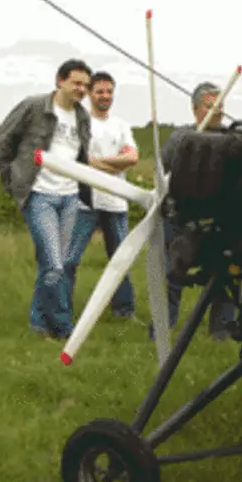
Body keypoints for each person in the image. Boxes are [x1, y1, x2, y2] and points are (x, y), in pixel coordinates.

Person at [0, 58, 93, 340]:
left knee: (53, 263)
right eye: (77, 83)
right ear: (60, 81)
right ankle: (63, 328)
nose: (81, 90)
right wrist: (13, 182)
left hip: (70, 197)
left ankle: (38, 323)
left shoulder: (82, 117)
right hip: (39, 196)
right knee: (55, 264)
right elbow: (2, 143)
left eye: (85, 85)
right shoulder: (34, 107)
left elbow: (81, 157)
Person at [158, 80, 237, 339]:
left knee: (225, 276)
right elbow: (162, 172)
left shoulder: (233, 140)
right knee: (172, 273)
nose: (217, 110)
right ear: (195, 109)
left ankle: (222, 331)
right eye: (209, 105)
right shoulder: (181, 138)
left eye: (220, 104)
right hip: (180, 218)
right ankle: (161, 328)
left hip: (221, 220)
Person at [65, 70, 139, 323]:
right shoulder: (80, 124)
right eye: (100, 91)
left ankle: (124, 311)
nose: (105, 96)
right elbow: (76, 161)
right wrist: (113, 164)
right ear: (89, 94)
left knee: (120, 260)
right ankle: (62, 312)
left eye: (109, 91)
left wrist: (94, 163)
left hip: (116, 202)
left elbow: (131, 158)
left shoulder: (121, 126)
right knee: (69, 260)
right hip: (84, 202)